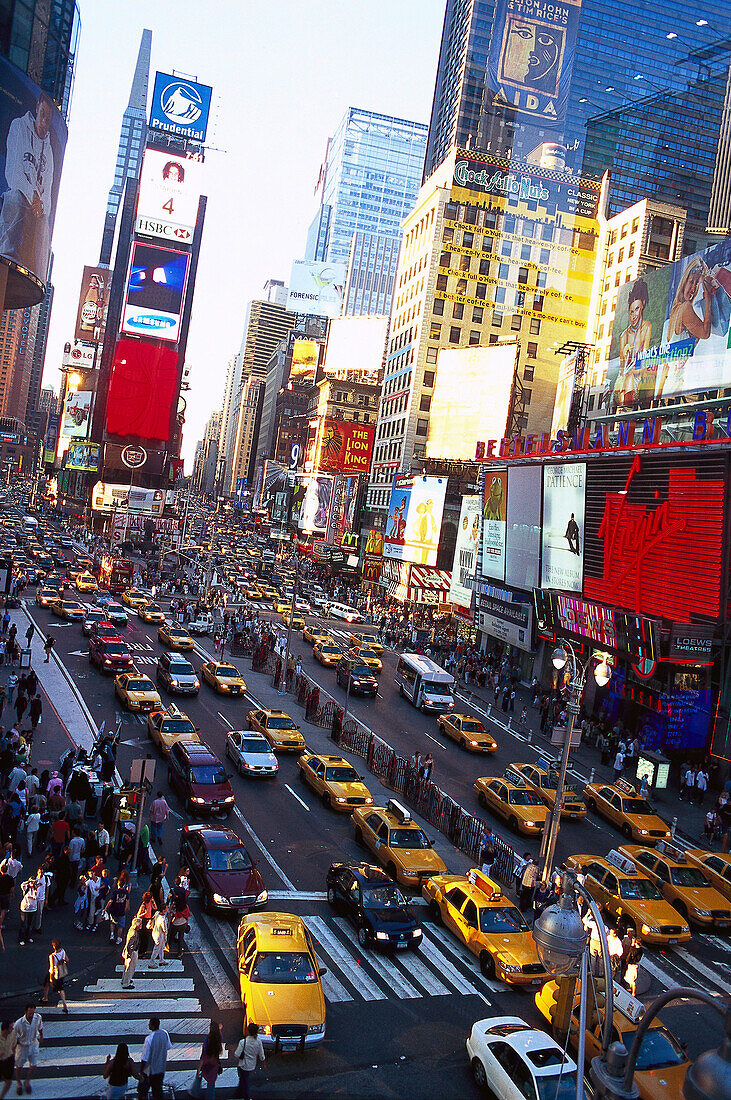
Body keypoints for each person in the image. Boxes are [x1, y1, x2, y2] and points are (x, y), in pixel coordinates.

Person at [138, 1016, 171, 1100]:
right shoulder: (164, 1033)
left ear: (152, 1026)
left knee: (143, 1088)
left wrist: (142, 1071)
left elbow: (145, 1057)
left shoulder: (149, 1039)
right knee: (158, 1089)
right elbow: (168, 1046)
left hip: (150, 1068)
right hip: (161, 1066)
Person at [13, 1004, 42, 1097]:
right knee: (19, 1066)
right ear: (26, 1012)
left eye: (33, 1013)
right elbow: (13, 1037)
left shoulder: (37, 1018)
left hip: (33, 1044)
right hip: (22, 1046)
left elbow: (40, 1028)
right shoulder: (19, 1023)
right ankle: (18, 1083)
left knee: (33, 1065)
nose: (31, 1015)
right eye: (30, 1013)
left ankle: (27, 1081)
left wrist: (41, 1036)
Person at [234, 1022, 265, 1100]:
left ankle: (244, 1096)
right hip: (252, 1065)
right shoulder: (258, 1041)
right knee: (244, 1079)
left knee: (245, 1081)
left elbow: (237, 1054)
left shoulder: (243, 1042)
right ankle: (239, 1093)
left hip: (243, 1065)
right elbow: (261, 1055)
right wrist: (264, 1063)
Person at [191, 1020, 223, 1098]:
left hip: (206, 1062)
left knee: (199, 1076)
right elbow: (219, 1036)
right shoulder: (219, 1038)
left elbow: (204, 1053)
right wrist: (219, 1029)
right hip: (214, 1063)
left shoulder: (207, 1039)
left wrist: (200, 1066)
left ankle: (195, 1092)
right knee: (211, 1083)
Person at [40, 939, 68, 1014]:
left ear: (53, 946)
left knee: (50, 985)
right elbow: (67, 959)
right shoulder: (63, 951)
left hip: (54, 974)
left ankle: (46, 998)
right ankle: (46, 997)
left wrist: (51, 978)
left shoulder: (52, 956)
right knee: (58, 987)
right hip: (61, 973)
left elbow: (51, 968)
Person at [122, 916, 142, 989]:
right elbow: (131, 945)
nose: (141, 926)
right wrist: (129, 954)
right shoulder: (134, 934)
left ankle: (124, 980)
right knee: (130, 968)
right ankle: (126, 983)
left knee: (126, 967)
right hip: (132, 952)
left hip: (128, 952)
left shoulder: (131, 929)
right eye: (140, 925)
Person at [0, 1019, 16, 1100]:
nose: (13, 1029)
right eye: (11, 1028)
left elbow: (14, 1045)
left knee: (8, 1081)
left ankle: (1, 1097)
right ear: (5, 1030)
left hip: (9, 1060)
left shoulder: (12, 1034)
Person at [148, 904, 168, 969]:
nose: (167, 908)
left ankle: (161, 960)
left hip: (155, 932)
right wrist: (165, 936)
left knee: (161, 947)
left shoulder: (157, 913)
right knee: (156, 949)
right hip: (160, 935)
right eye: (166, 908)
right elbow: (164, 929)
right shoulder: (162, 919)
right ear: (164, 910)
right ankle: (151, 962)